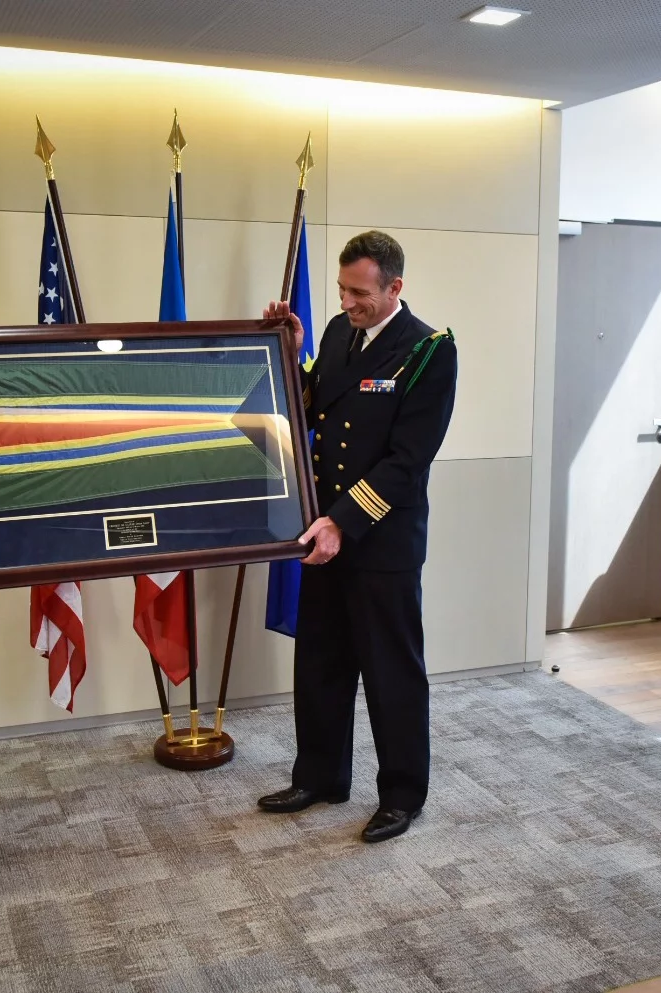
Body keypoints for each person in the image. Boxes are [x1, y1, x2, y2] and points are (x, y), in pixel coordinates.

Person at [257, 231, 457, 843]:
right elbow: (312, 409)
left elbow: (407, 459)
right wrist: (292, 354)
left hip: (380, 540)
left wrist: (343, 521)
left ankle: (402, 794)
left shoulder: (427, 350)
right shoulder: (337, 334)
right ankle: (320, 777)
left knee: (392, 673)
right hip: (325, 533)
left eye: (360, 293)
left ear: (395, 287)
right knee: (321, 661)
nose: (347, 302)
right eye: (342, 290)